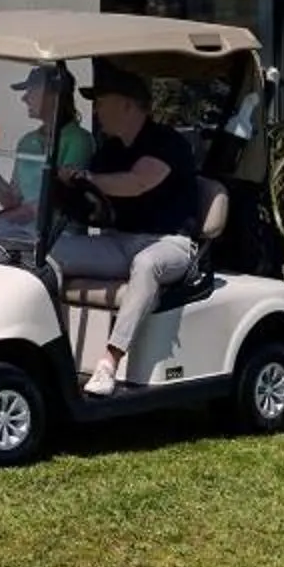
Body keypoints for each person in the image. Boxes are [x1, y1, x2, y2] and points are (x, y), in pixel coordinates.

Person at [49, 60, 207, 397]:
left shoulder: (166, 142)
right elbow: (91, 202)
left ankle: (109, 361)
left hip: (171, 243)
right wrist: (66, 186)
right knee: (51, 252)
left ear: (127, 104)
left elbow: (137, 183)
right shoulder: (110, 151)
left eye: (101, 102)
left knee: (147, 264)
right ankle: (50, 350)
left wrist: (89, 178)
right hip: (119, 242)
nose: (97, 110)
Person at [0, 62, 89, 234]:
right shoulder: (26, 142)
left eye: (32, 90)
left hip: (58, 239)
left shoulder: (78, 139)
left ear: (53, 95)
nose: (25, 97)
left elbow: (57, 202)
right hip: (23, 232)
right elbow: (12, 201)